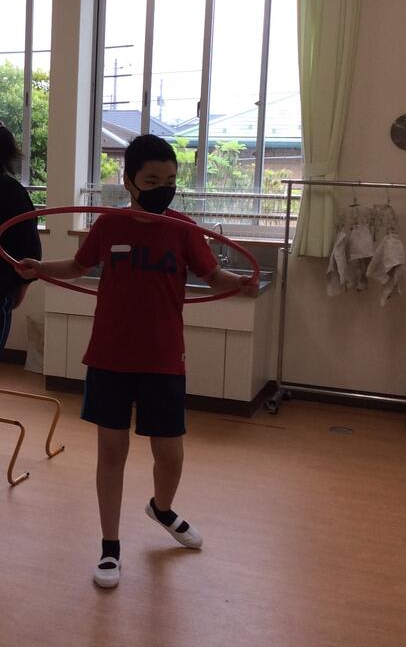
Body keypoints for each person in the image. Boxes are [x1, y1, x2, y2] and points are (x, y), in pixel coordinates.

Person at [18, 134, 258, 589]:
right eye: (152, 181)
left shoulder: (183, 229)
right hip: (110, 354)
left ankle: (162, 509)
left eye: (170, 181)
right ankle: (110, 548)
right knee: (112, 451)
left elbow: (212, 274)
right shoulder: (109, 226)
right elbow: (78, 267)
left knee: (170, 454)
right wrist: (40, 269)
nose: (163, 189)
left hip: (163, 356)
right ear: (128, 181)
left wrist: (240, 283)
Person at [0, 121, 42, 353]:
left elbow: (28, 253)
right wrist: (21, 287)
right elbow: (29, 249)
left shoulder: (11, 191)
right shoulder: (12, 191)